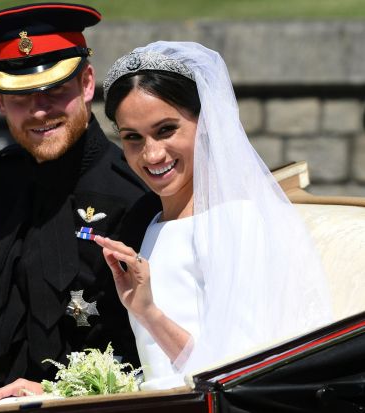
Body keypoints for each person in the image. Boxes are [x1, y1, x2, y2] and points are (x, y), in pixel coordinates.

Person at [92, 41, 334, 389]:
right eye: (133, 137)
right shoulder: (152, 227)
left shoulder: (233, 222)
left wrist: (149, 313)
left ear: (204, 123)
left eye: (166, 130)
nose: (152, 154)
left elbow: (237, 372)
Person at [0, 2, 147, 404]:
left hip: (102, 401)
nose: (40, 111)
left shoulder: (134, 187)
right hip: (0, 396)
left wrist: (59, 391)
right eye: (20, 97)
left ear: (87, 84)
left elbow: (148, 339)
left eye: (56, 91)